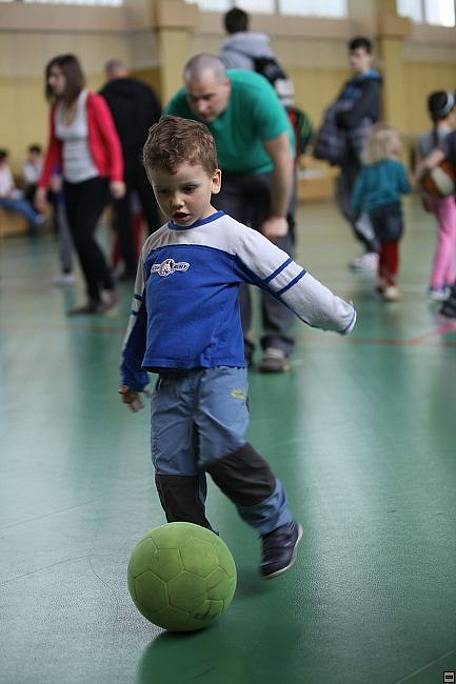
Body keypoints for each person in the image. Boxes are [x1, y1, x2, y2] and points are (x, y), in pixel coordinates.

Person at [119, 116, 357, 578]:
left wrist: (338, 314)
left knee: (222, 446)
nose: (177, 202)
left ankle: (278, 524)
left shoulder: (233, 237)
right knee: (172, 473)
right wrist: (131, 373)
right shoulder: (155, 246)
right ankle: (198, 552)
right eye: (163, 191)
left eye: (188, 187)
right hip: (169, 382)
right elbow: (140, 314)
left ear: (215, 179)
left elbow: (288, 279)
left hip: (218, 371)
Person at [165, 53, 296, 372]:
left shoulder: (255, 94)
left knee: (273, 256)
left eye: (208, 97)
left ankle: (278, 343)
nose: (201, 108)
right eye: (194, 99)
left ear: (227, 84)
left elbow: (282, 158)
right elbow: (165, 165)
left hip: (267, 170)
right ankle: (237, 343)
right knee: (222, 259)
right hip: (222, 177)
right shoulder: (178, 107)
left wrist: (277, 214)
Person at [35, 54, 125, 315]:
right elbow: (53, 149)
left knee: (84, 236)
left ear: (70, 76)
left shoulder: (93, 102)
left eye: (57, 76)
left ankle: (108, 288)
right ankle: (94, 297)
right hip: (70, 182)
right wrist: (42, 185)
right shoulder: (57, 108)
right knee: (77, 239)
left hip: (95, 179)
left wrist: (117, 177)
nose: (52, 81)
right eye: (50, 76)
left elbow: (112, 141)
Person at [315, 37, 383, 271]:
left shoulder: (372, 85)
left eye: (359, 55)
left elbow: (350, 117)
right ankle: (370, 249)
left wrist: (342, 115)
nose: (354, 59)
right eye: (352, 55)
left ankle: (376, 250)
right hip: (348, 157)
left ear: (369, 57)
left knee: (364, 204)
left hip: (364, 156)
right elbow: (337, 113)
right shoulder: (349, 85)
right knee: (348, 204)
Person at [100, 59, 162, 280]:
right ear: (126, 71)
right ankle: (160, 258)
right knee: (152, 212)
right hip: (146, 160)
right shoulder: (145, 91)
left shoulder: (103, 97)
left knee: (123, 216)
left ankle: (129, 265)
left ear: (108, 75)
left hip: (119, 164)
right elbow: (159, 123)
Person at [351, 124, 410, 301]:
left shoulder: (368, 170)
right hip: (392, 210)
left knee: (382, 246)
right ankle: (390, 282)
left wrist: (356, 212)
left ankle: (380, 278)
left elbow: (358, 193)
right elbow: (405, 188)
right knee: (392, 247)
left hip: (374, 212)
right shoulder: (397, 167)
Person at [416, 91, 456, 301]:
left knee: (449, 235)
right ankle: (436, 283)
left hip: (432, 194)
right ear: (449, 113)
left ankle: (449, 279)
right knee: (447, 237)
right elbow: (429, 164)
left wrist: (422, 193)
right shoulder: (450, 136)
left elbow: (420, 169)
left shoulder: (422, 138)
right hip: (447, 195)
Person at [0, 148, 45, 234]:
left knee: (24, 199)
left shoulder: (6, 169)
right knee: (22, 203)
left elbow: (10, 184)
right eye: (2, 160)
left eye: (4, 160)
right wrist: (4, 195)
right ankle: (36, 219)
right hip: (2, 198)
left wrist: (11, 191)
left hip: (9, 195)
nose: (3, 162)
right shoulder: (26, 165)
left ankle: (35, 220)